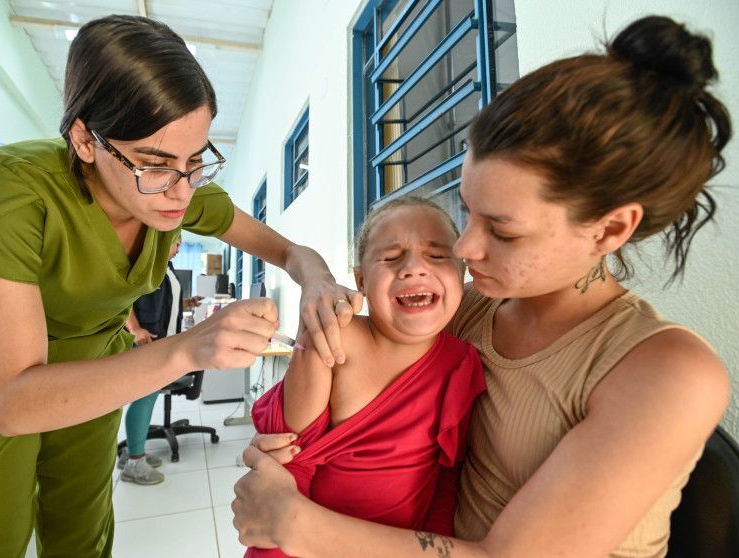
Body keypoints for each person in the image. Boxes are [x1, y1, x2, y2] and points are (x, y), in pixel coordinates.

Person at [232, 15, 732, 558]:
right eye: (468, 213)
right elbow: (340, 391)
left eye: (501, 229)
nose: (466, 249)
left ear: (610, 229)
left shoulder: (667, 371)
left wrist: (292, 523)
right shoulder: (467, 309)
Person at [0, 15, 361, 558]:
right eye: (155, 164)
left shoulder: (177, 194)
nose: (181, 190)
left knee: (80, 530)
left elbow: (289, 252)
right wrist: (187, 348)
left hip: (98, 366)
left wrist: (317, 282)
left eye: (196, 162)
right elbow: (12, 402)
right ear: (84, 140)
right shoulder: (15, 189)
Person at [246, 198, 486, 557]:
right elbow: (288, 461)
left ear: (462, 272)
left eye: (437, 256)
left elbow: (446, 477)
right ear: (361, 280)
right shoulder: (333, 336)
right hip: (303, 541)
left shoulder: (461, 361)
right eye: (391, 258)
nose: (414, 268)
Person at [118, 237, 203, 485]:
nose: (179, 249)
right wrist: (134, 328)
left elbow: (165, 302)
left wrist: (187, 302)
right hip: (148, 341)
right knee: (145, 398)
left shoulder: (166, 267)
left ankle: (132, 452)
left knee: (148, 397)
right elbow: (124, 298)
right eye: (177, 243)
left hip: (161, 341)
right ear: (162, 242)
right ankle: (134, 463)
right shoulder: (145, 265)